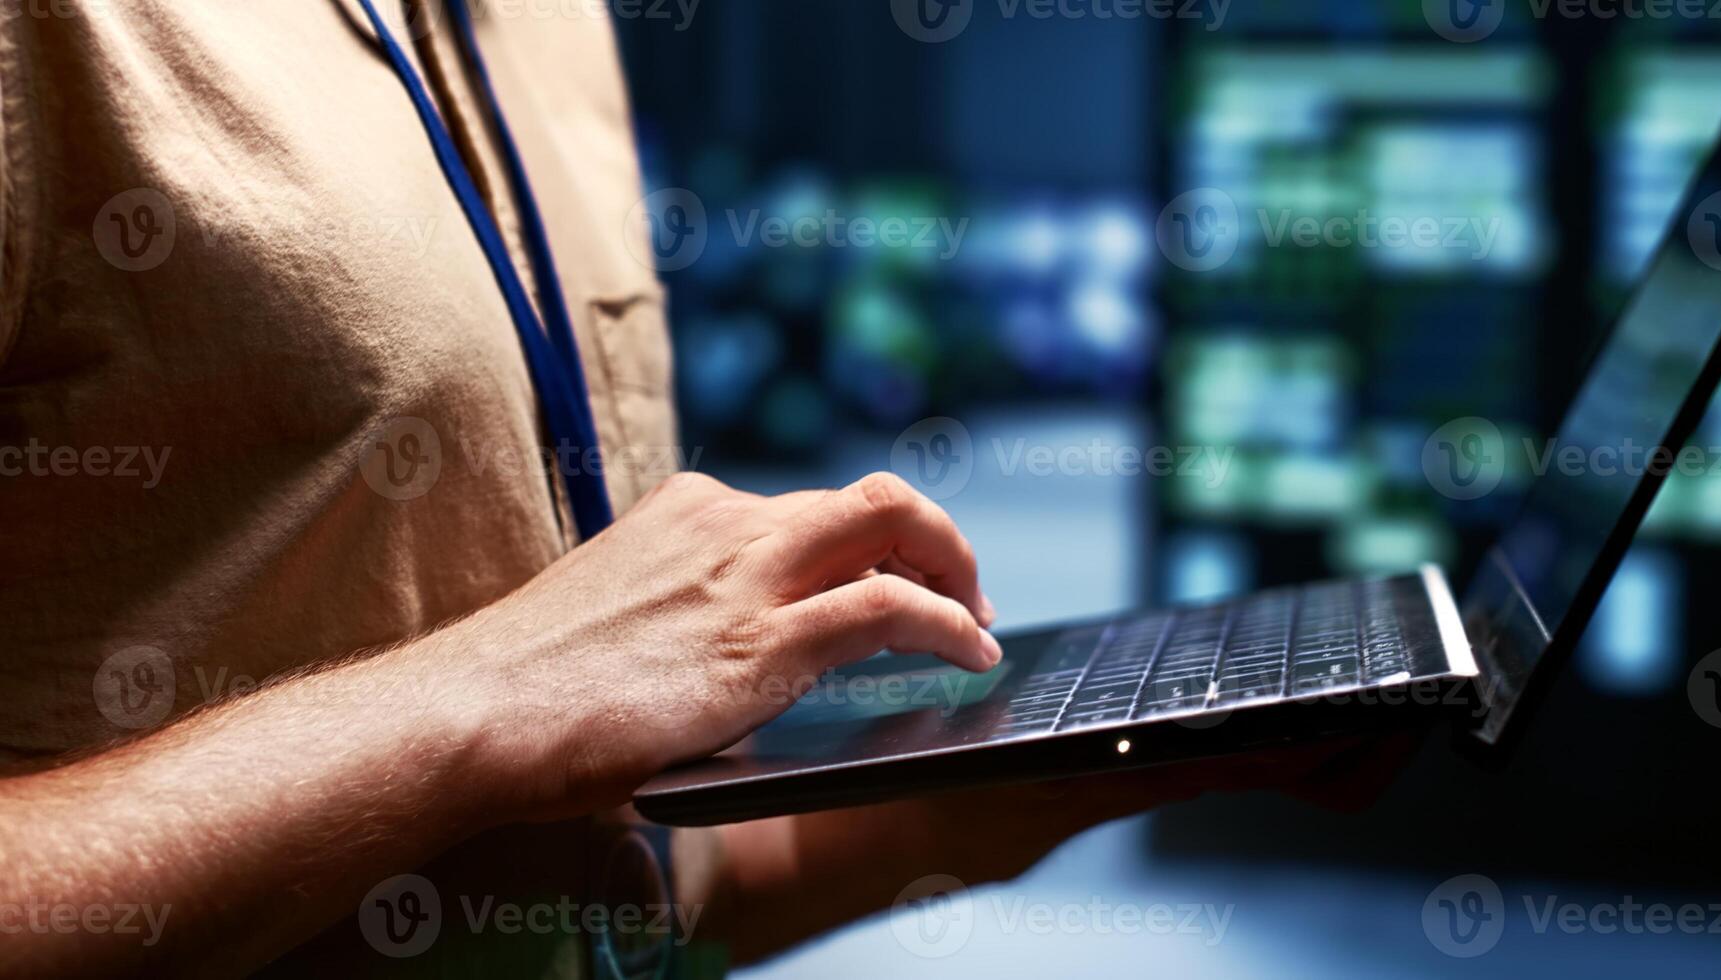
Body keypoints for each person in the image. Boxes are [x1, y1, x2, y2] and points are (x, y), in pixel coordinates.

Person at [0, 1, 1377, 975]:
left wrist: (1043, 774)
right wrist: (478, 697)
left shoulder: (542, 26)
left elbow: (623, 898)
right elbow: (524, 710)